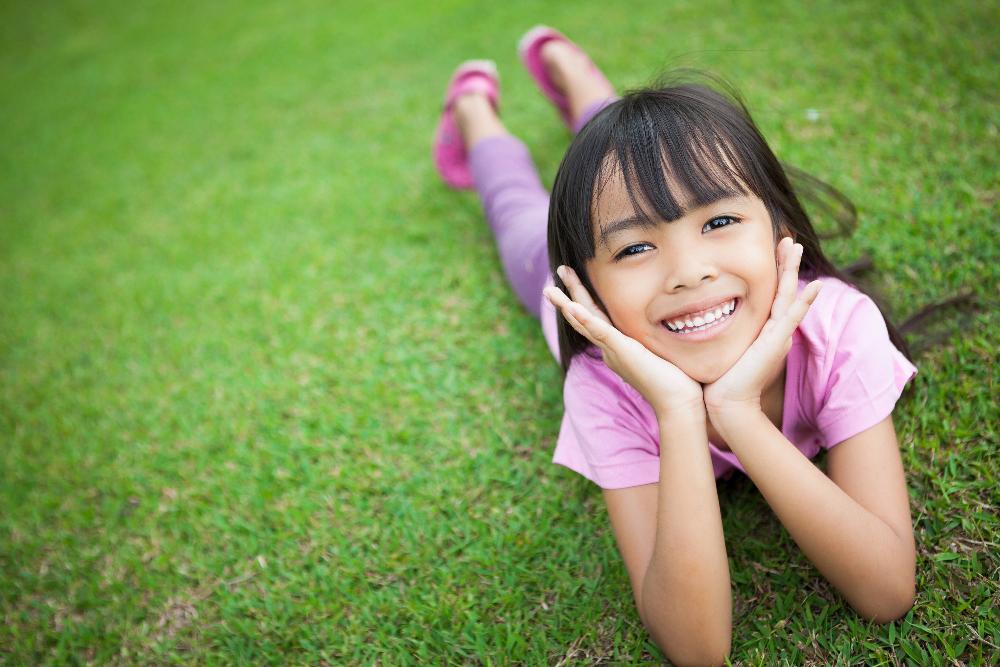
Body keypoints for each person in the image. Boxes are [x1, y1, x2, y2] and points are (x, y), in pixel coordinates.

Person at [432, 26, 917, 665]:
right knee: (517, 210)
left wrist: (738, 412)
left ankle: (569, 68)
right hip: (591, 318)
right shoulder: (601, 382)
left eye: (719, 222)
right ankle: (471, 108)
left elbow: (886, 591)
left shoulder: (836, 327)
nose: (688, 272)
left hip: (656, 270)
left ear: (782, 229)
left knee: (639, 159)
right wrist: (681, 410)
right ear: (587, 288)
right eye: (634, 249)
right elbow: (696, 650)